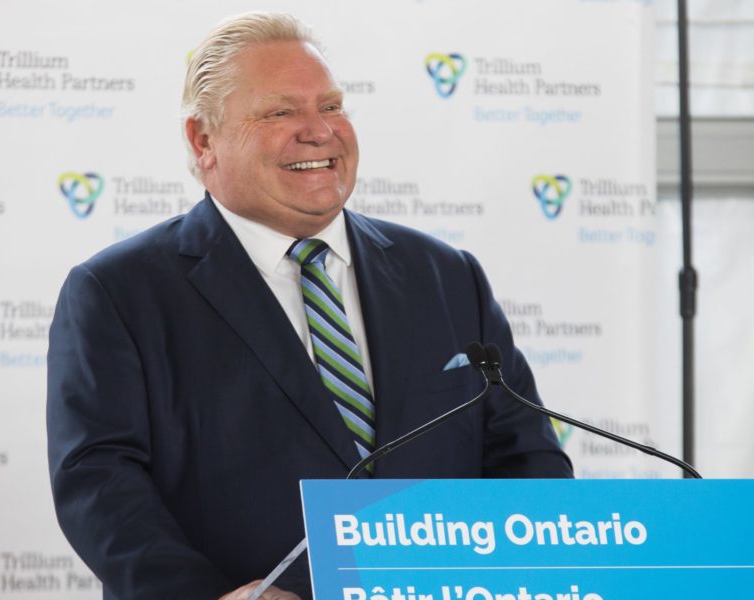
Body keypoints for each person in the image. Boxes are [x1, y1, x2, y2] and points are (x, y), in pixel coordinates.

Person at [46, 12, 573, 600]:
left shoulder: (446, 275)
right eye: (279, 112)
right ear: (203, 139)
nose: (319, 131)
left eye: (331, 105)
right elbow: (99, 483)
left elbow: (525, 456)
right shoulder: (119, 291)